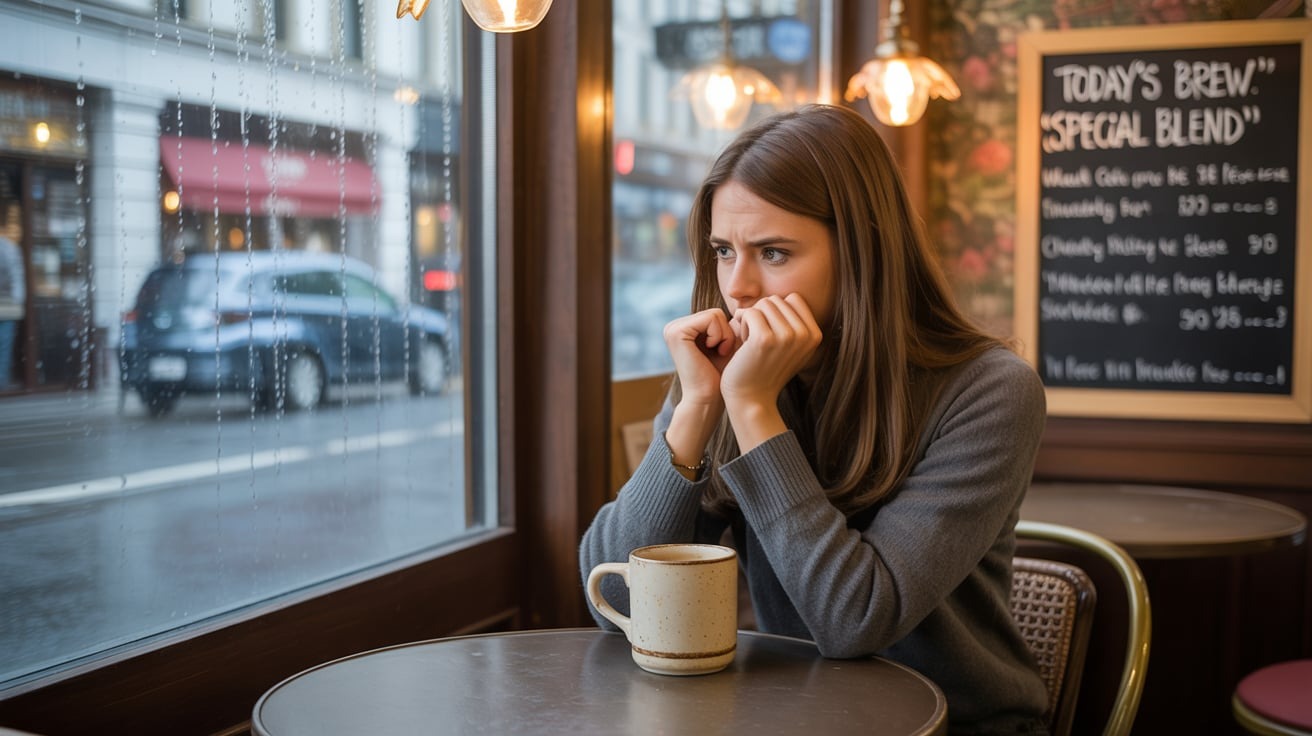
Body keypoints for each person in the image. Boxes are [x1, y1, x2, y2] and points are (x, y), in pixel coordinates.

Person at [579, 104, 1050, 735]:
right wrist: (696, 409)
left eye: (773, 252)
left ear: (861, 252)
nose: (738, 287)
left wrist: (752, 409)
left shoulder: (991, 391)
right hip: (795, 718)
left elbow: (854, 620)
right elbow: (615, 603)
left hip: (955, 723)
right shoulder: (728, 377)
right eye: (724, 250)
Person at [0, 235, 23, 390]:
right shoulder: (8, 247)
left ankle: (2, 379)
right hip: (7, 303)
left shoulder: (7, 248)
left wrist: (17, 300)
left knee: (4, 343)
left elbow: (16, 276)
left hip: (6, 305)